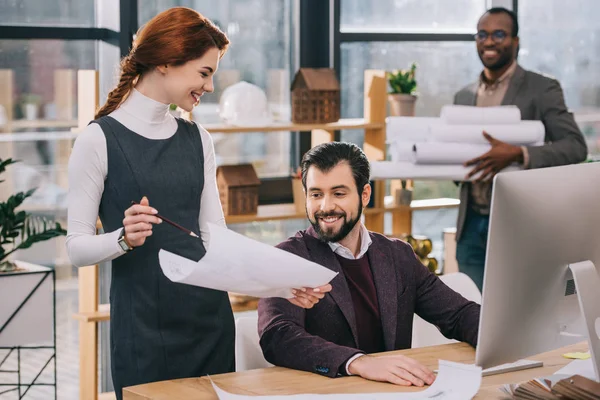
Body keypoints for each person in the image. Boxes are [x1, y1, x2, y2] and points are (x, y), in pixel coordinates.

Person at [66, 7, 329, 398]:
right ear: (167, 63)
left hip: (209, 322)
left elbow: (215, 238)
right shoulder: (98, 140)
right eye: (204, 73)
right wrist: (122, 238)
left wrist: (283, 285)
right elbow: (75, 248)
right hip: (143, 327)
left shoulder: (197, 138)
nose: (209, 87)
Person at [257, 142, 480, 387]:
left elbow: (458, 314)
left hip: (395, 393)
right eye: (316, 194)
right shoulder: (287, 258)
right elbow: (278, 336)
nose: (325, 206)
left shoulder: (398, 255)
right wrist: (358, 362)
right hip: (328, 393)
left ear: (365, 195)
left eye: (338, 193)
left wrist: (509, 339)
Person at [454, 7, 588, 290]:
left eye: (499, 34)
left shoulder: (542, 88)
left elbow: (575, 146)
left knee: (518, 310)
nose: (489, 42)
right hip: (470, 226)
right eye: (482, 34)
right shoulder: (463, 96)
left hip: (518, 223)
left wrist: (519, 154)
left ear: (516, 41)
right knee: (473, 314)